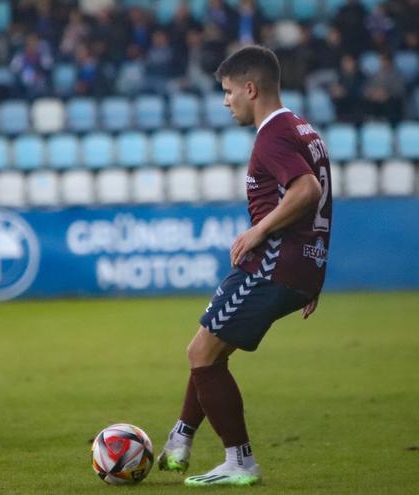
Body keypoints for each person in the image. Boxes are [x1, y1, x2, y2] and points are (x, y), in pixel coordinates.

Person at [157, 45, 332, 487]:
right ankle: (180, 440)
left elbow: (307, 191)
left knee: (201, 352)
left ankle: (239, 460)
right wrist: (315, 275)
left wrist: (257, 232)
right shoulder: (304, 128)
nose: (225, 100)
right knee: (210, 348)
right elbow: (323, 202)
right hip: (298, 266)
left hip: (271, 263)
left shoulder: (272, 134)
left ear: (250, 88)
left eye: (228, 91)